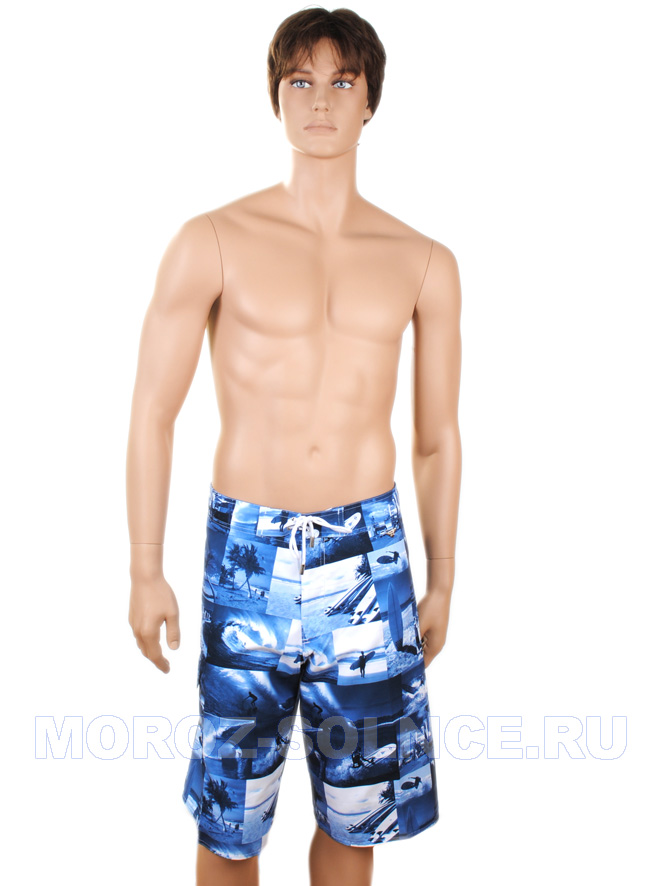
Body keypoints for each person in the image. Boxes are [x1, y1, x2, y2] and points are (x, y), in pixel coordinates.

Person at [126, 7, 462, 886]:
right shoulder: (212, 241)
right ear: (274, 97)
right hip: (250, 548)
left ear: (370, 101)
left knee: (359, 816)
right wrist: (144, 568)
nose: (320, 100)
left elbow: (436, 439)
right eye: (300, 81)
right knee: (230, 823)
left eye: (342, 81)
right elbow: (152, 411)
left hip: (370, 555)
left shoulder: (422, 260)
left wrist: (443, 575)